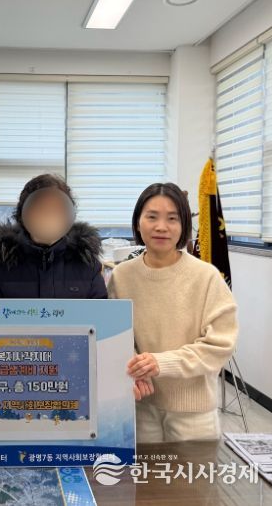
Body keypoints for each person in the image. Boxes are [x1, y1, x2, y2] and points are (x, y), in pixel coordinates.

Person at [107, 182, 238, 442]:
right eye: (152, 217)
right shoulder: (122, 276)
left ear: (183, 225)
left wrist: (161, 363)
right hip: (141, 404)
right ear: (138, 223)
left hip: (193, 410)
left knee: (193, 469)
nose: (161, 227)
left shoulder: (206, 276)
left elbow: (220, 344)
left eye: (172, 218)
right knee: (145, 469)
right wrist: (134, 368)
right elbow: (115, 336)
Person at [0, 174, 107, 299]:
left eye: (57, 210)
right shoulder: (1, 264)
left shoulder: (87, 264)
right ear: (24, 214)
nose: (49, 218)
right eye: (41, 210)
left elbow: (101, 310)